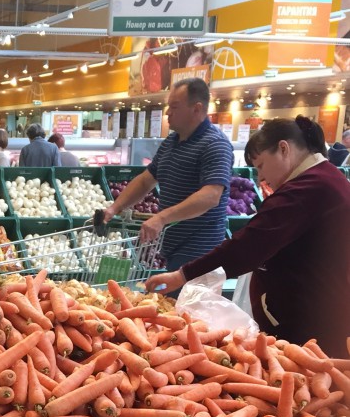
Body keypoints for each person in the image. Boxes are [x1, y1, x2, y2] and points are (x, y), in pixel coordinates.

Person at [145, 117, 350, 359]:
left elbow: (248, 246)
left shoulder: (307, 189)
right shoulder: (324, 179)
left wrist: (182, 275)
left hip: (310, 326)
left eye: (261, 165)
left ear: (284, 149)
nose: (261, 177)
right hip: (320, 315)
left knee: (311, 383)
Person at [104, 78, 233, 271]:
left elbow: (211, 196)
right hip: (171, 248)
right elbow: (145, 181)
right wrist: (114, 208)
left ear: (197, 109)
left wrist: (162, 217)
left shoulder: (215, 144)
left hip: (200, 253)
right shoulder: (171, 142)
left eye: (174, 107)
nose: (167, 112)